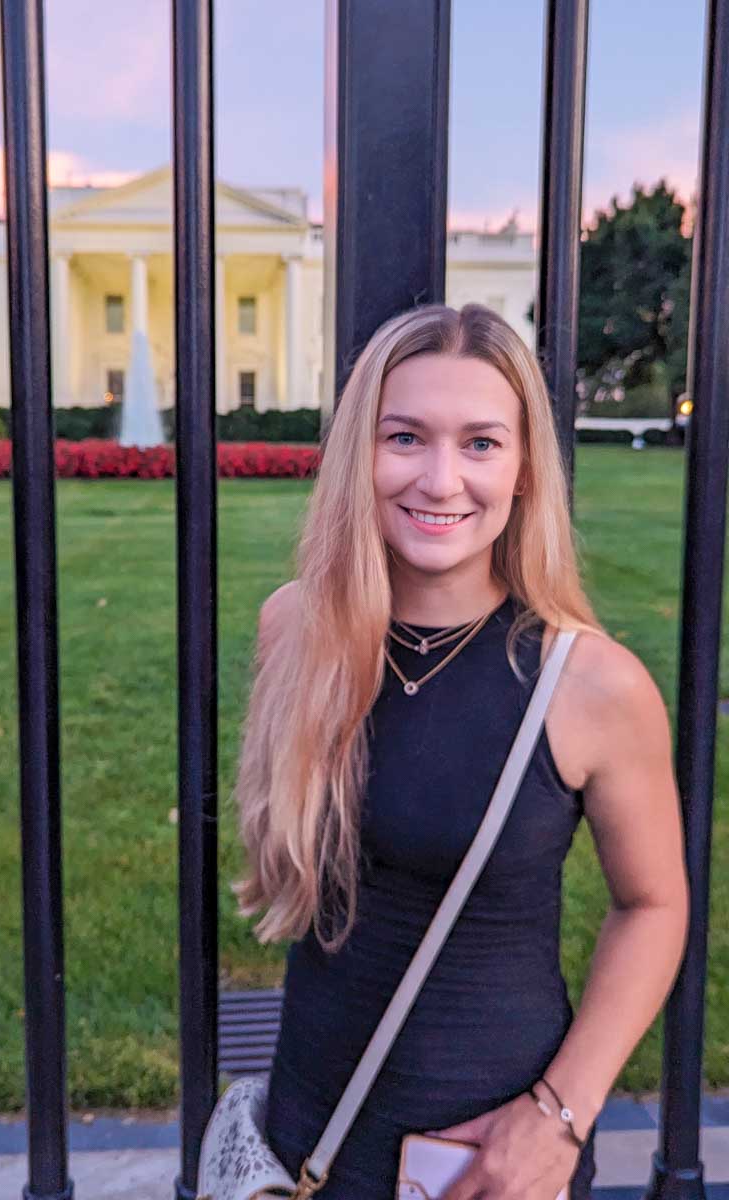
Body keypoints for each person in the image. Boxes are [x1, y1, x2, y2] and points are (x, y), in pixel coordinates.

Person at [231, 303, 690, 1199]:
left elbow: (654, 905)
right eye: (405, 437)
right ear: (360, 454)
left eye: (481, 443)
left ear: (523, 471)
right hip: (304, 1126)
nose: (441, 481)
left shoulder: (591, 684)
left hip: (486, 1162)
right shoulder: (296, 630)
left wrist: (560, 1115)